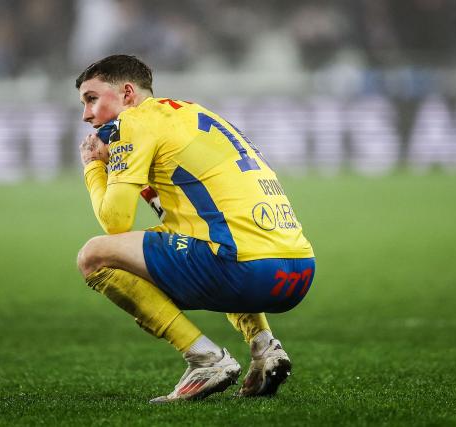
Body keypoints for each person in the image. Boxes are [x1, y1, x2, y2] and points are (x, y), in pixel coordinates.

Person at [75, 54, 315, 403]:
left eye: (92, 99)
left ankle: (205, 359)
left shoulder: (135, 122)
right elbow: (179, 218)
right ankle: (265, 348)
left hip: (244, 269)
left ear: (127, 93)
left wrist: (93, 167)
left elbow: (115, 222)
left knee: (94, 256)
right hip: (297, 271)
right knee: (209, 238)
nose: (86, 114)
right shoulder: (190, 113)